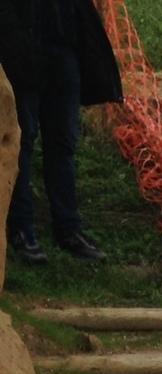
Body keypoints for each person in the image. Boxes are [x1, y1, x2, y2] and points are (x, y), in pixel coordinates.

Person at [1, 0, 123, 264]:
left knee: (64, 143)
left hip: (63, 47)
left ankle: (68, 229)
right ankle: (22, 230)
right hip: (21, 46)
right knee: (23, 141)